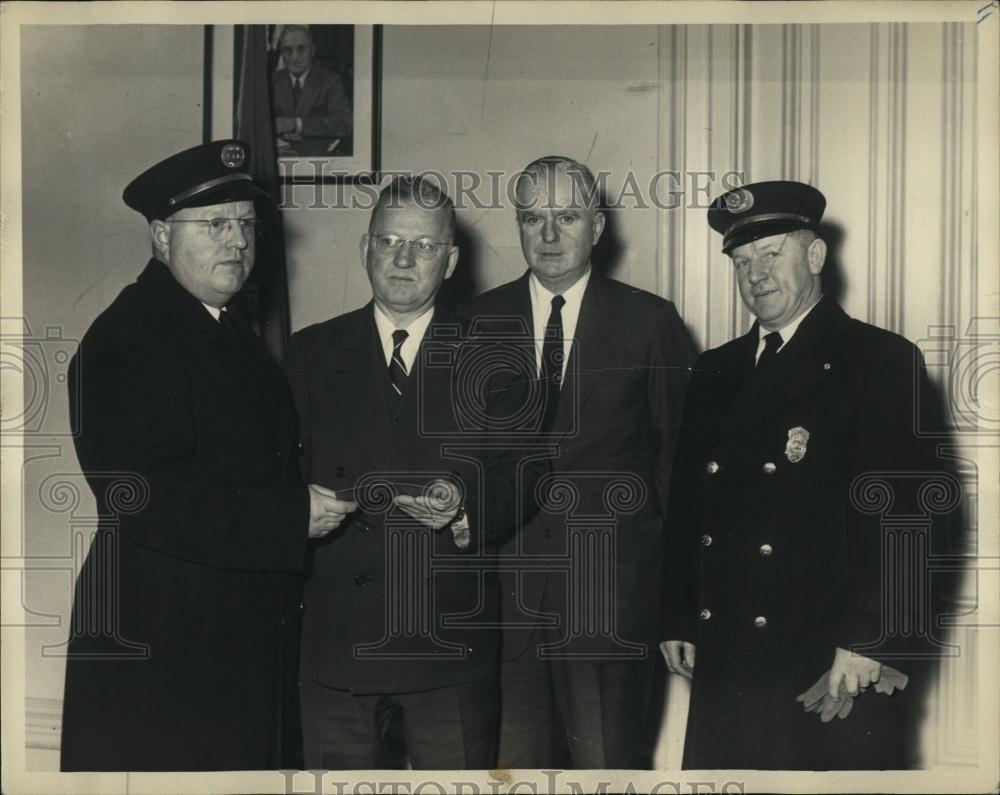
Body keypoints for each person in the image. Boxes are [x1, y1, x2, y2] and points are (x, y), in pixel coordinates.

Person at [59, 140, 357, 771]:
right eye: (215, 224)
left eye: (246, 226)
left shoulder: (214, 323)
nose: (237, 243)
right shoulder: (129, 336)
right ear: (161, 237)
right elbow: (143, 495)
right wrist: (289, 517)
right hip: (164, 651)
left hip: (219, 640)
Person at [661, 180, 956, 769]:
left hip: (827, 655)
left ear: (815, 256)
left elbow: (914, 519)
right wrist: (676, 613)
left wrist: (873, 639)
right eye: (742, 261)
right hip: (726, 651)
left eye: (772, 255)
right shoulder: (715, 369)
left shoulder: (878, 361)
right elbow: (688, 505)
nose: (756, 275)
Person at [463, 156, 696, 769]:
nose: (548, 235)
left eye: (566, 217)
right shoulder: (473, 324)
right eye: (532, 217)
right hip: (504, 605)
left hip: (610, 602)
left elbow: (679, 473)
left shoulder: (650, 322)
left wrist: (676, 599)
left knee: (606, 774)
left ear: (597, 227)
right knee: (512, 773)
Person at [285, 176, 523, 769]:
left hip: (449, 644)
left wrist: (467, 508)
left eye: (423, 245)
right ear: (365, 249)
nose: (403, 258)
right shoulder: (309, 354)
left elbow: (528, 467)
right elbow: (270, 471)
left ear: (451, 260)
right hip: (338, 644)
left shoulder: (493, 352)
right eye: (389, 241)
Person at [271, 25, 353, 156]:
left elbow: (344, 124)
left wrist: (296, 124)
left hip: (319, 159)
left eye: (301, 49)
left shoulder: (331, 80)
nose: (294, 57)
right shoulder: (271, 81)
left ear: (312, 51)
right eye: (288, 50)